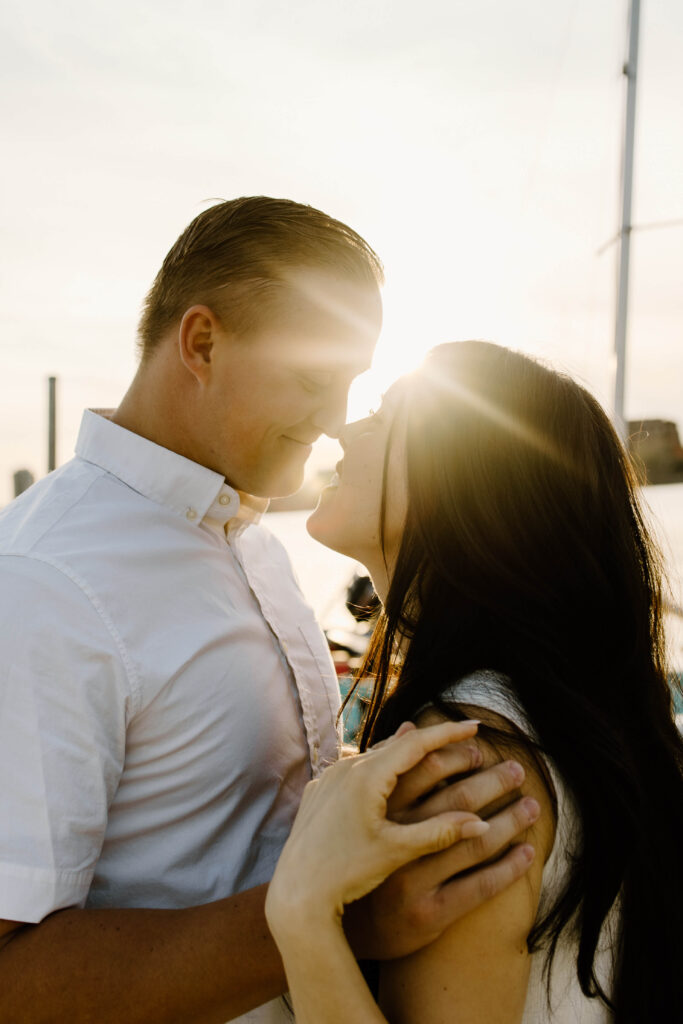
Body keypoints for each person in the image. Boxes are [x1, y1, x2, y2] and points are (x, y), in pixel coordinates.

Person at [0, 204, 538, 1024]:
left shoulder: (249, 541)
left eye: (354, 384)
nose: (333, 420)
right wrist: (341, 917)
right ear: (202, 343)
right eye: (315, 379)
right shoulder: (43, 582)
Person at [266, 340, 683, 1023]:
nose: (342, 429)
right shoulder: (577, 722)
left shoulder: (466, 765)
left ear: (463, 479)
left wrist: (301, 915)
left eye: (387, 418)